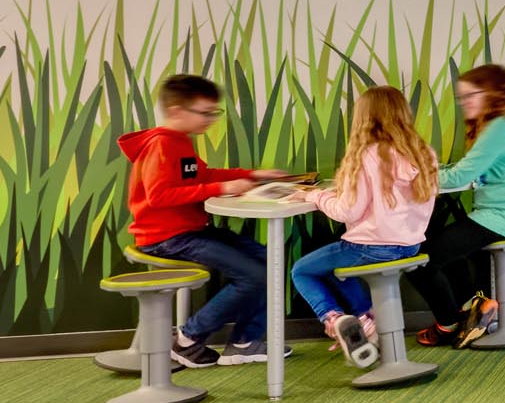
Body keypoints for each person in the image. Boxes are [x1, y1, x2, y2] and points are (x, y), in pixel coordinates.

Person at [117, 73, 295, 369]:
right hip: (167, 239)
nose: (211, 119)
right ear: (177, 111)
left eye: (215, 112)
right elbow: (158, 196)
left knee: (268, 258)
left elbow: (202, 175)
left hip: (191, 231)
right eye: (205, 112)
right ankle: (187, 339)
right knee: (253, 275)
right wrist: (222, 189)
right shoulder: (162, 145)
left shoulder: (179, 141)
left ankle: (244, 342)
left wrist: (251, 175)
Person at [291, 84, 438, 368]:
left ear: (364, 117)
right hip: (410, 246)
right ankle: (363, 319)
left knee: (302, 270)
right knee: (333, 267)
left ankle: (333, 320)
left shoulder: (368, 154)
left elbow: (347, 209)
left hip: (371, 248)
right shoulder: (423, 152)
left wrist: (315, 195)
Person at [410, 63, 505, 346]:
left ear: (493, 93)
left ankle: (449, 323)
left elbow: (461, 175)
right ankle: (474, 310)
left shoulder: (501, 126)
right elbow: (476, 171)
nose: (465, 103)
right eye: (461, 98)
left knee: (420, 259)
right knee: (447, 249)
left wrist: (416, 175)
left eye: (471, 96)